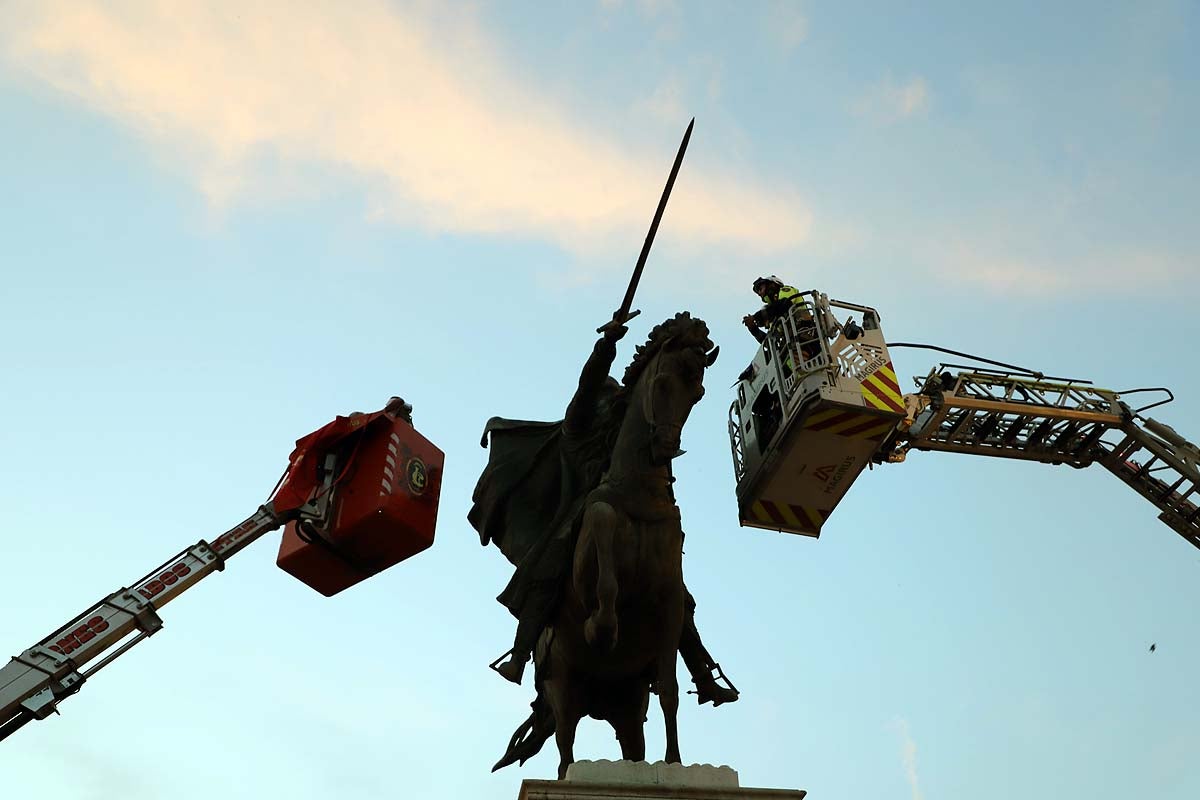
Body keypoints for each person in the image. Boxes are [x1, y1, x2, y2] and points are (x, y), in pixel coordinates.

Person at [469, 320, 738, 706]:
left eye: (614, 401)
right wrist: (607, 345)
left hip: (634, 509)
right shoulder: (577, 432)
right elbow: (589, 382)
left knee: (676, 594)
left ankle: (701, 671)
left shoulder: (629, 433)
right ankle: (522, 652)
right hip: (580, 510)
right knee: (548, 565)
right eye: (604, 400)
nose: (609, 405)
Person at [742, 275, 808, 343]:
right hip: (793, 342)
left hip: (805, 329)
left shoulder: (786, 290)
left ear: (772, 284)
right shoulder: (775, 317)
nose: (759, 293)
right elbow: (770, 343)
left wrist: (755, 317)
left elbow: (784, 304)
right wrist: (753, 329)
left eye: (760, 289)